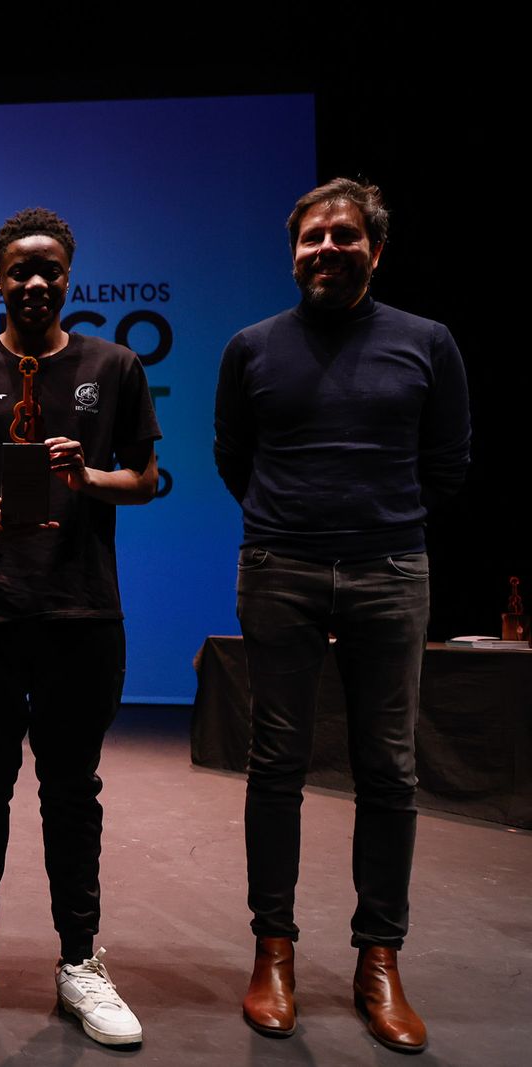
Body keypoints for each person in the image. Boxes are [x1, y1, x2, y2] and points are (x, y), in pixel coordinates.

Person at [214, 178, 469, 1054]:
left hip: (390, 569)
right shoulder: (252, 348)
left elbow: (447, 462)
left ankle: (378, 958)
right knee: (275, 763)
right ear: (293, 250)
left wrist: (376, 528)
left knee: (388, 769)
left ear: (375, 249)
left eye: (344, 236)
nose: (326, 248)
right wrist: (294, 526)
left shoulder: (426, 343)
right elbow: (232, 455)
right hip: (279, 566)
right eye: (312, 237)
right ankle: (273, 949)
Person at [0, 208, 159, 1046]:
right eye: (20, 270)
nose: (36, 283)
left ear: (70, 275)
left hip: (82, 611)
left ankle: (80, 961)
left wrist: (87, 477)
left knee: (70, 792)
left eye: (50, 269)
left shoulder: (115, 366)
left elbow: (147, 478)